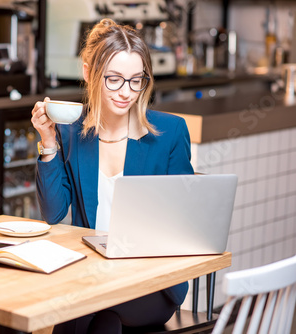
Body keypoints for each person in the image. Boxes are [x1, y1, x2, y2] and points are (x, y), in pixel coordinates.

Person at [30, 18, 194, 333]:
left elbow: (185, 221)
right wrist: (48, 142)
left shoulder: (170, 133)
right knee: (103, 319)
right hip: (90, 274)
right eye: (114, 79)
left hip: (150, 281)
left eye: (136, 80)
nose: (126, 92)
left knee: (80, 307)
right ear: (89, 73)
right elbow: (53, 213)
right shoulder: (72, 133)